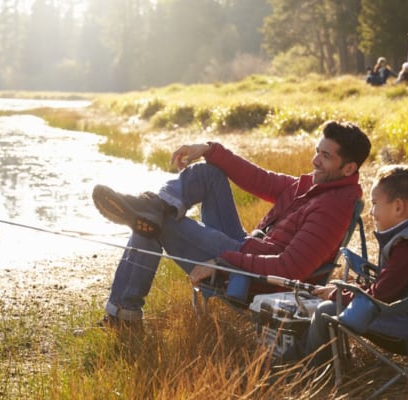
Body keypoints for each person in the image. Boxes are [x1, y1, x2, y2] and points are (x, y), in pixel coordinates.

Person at [91, 120, 371, 328]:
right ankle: (154, 206)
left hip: (253, 278)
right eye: (317, 151)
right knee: (207, 173)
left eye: (325, 156)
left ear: (348, 169)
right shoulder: (312, 186)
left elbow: (291, 269)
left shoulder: (334, 207)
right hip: (248, 248)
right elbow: (258, 178)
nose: (315, 160)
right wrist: (207, 149)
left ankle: (122, 315)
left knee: (157, 224)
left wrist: (223, 260)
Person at [304, 166, 408, 366]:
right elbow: (390, 286)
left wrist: (339, 294)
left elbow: (381, 296)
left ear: (398, 207)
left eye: (375, 203)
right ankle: (331, 364)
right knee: (335, 303)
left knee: (326, 310)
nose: (371, 212)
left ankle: (312, 371)